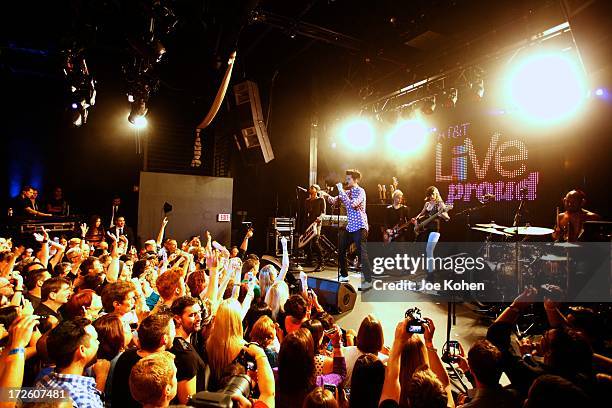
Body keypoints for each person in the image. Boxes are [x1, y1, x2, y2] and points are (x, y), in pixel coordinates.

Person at [35, 318, 106, 408]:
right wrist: (102, 377)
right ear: (82, 350)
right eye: (95, 340)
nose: (98, 343)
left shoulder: (44, 381)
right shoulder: (85, 402)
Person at [321, 169, 373, 291]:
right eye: (347, 178)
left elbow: (352, 205)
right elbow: (334, 201)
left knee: (362, 253)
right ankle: (344, 275)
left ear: (355, 180)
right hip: (350, 227)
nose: (346, 181)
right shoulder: (347, 192)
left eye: (349, 179)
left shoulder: (360, 191)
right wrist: (325, 195)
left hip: (360, 226)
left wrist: (341, 191)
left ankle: (368, 281)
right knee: (341, 249)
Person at [111, 312, 176, 408]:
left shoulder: (126, 356)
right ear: (164, 339)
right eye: (173, 330)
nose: (175, 333)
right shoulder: (161, 369)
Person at [276, 327, 346, 408]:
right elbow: (340, 374)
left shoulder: (272, 377)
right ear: (309, 358)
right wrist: (337, 346)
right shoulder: (319, 383)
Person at [456, 339, 520, 408]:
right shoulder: (515, 396)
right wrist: (467, 370)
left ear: (471, 370)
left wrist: (460, 405)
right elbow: (488, 390)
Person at [169, 296, 209, 404]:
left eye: (199, 313)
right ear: (178, 318)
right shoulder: (185, 356)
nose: (199, 318)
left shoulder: (183, 342)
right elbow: (187, 403)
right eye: (192, 315)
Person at [410, 186, 450, 281]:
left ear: (436, 193)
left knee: (429, 250)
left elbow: (447, 217)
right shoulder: (427, 204)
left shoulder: (440, 204)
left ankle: (431, 276)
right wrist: (415, 219)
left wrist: (442, 214)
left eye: (433, 194)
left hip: (435, 230)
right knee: (424, 250)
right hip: (425, 229)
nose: (432, 196)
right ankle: (429, 272)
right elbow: (421, 214)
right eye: (430, 194)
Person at [206, 298, 246, 389]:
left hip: (213, 394)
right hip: (235, 395)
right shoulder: (245, 348)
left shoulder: (209, 343)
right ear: (237, 320)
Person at [342, 314, 388, 386]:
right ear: (380, 338)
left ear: (360, 334)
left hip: (346, 395)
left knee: (350, 332)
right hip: (369, 396)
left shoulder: (344, 352)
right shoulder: (384, 362)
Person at [304, 184, 326, 272]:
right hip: (308, 223)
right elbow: (305, 213)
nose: (310, 189)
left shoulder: (321, 200)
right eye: (310, 188)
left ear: (316, 190)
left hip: (316, 223)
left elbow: (323, 212)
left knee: (315, 242)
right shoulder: (307, 201)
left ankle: (321, 263)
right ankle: (309, 260)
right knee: (307, 242)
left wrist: (319, 219)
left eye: (312, 188)